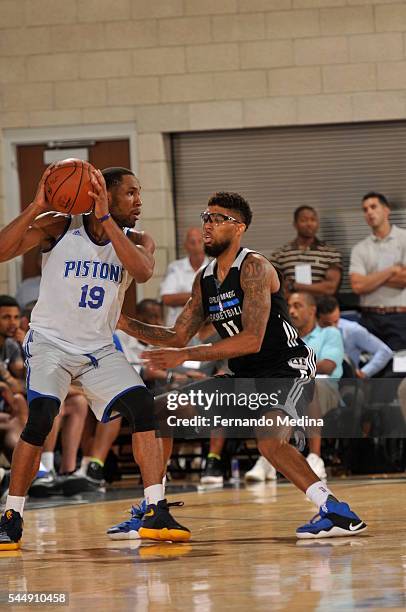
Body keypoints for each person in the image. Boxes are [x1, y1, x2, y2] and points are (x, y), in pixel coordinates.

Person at [114, 191, 366, 539]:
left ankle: (336, 511)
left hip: (286, 369)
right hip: (244, 375)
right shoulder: (205, 279)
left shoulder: (255, 268)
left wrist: (187, 356)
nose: (208, 224)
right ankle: (153, 509)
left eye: (218, 218)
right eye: (206, 216)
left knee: (269, 441)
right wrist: (121, 321)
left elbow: (252, 340)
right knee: (160, 412)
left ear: (239, 227)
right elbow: (176, 335)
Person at [0, 165, 190, 550]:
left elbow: (142, 272)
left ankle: (155, 509)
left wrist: (106, 218)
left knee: (143, 408)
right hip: (51, 342)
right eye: (131, 193)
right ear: (103, 193)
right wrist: (37, 203)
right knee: (40, 418)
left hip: (99, 348)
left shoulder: (139, 239)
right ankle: (11, 514)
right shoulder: (58, 226)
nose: (139, 202)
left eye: (139, 194)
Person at [350, 192, 406, 354]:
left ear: (387, 210)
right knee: (371, 369)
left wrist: (370, 278)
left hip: (399, 317)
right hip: (369, 318)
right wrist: (392, 270)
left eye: (373, 207)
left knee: (399, 368)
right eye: (365, 209)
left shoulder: (404, 239)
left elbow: (404, 280)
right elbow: (357, 286)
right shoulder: (360, 248)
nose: (369, 212)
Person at [271, 206, 342, 296]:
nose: (309, 224)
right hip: (292, 308)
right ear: (295, 224)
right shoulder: (280, 254)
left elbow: (330, 288)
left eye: (313, 219)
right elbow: (275, 288)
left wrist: (295, 286)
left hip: (322, 308)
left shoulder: (331, 253)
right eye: (304, 220)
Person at [317, 295, 393, 378]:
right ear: (315, 318)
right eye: (326, 324)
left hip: (347, 383)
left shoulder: (353, 330)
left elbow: (385, 351)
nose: (333, 327)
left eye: (336, 321)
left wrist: (364, 372)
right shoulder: (305, 331)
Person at [160, 227, 209, 326]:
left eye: (200, 241)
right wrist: (203, 296)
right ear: (185, 246)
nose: (196, 245)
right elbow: (167, 298)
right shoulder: (175, 268)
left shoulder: (214, 267)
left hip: (206, 330)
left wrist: (182, 298)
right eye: (192, 242)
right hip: (177, 328)